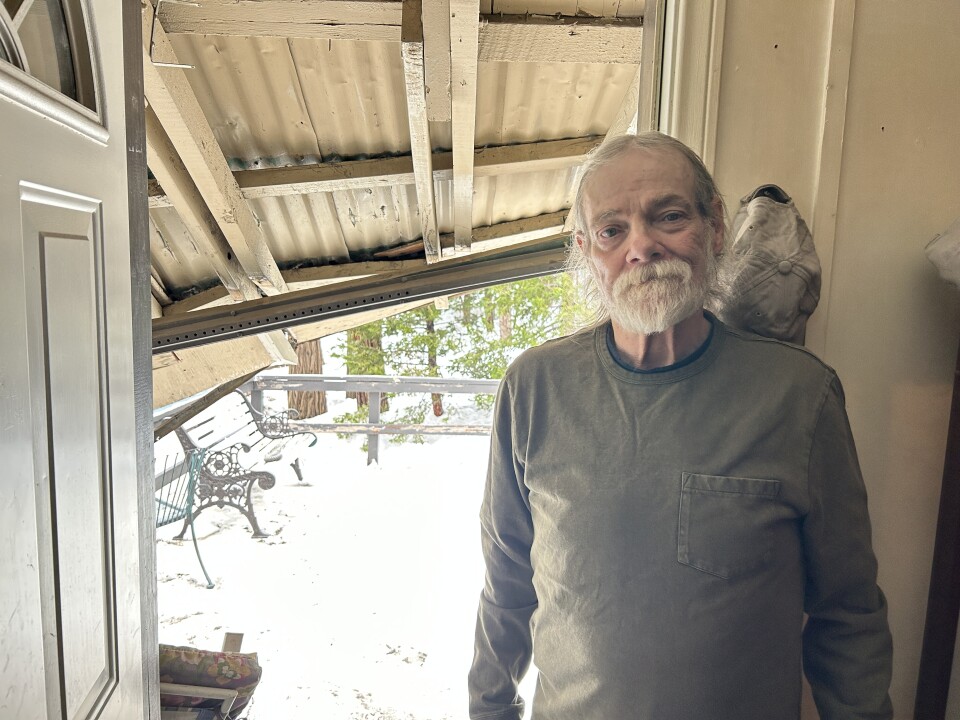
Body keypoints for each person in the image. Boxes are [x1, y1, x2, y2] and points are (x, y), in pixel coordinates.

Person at [467, 132, 893, 720]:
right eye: (612, 230)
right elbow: (507, 589)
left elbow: (849, 614)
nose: (641, 246)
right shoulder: (533, 389)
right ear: (587, 250)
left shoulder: (800, 396)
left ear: (715, 227)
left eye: (668, 217)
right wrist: (488, 710)